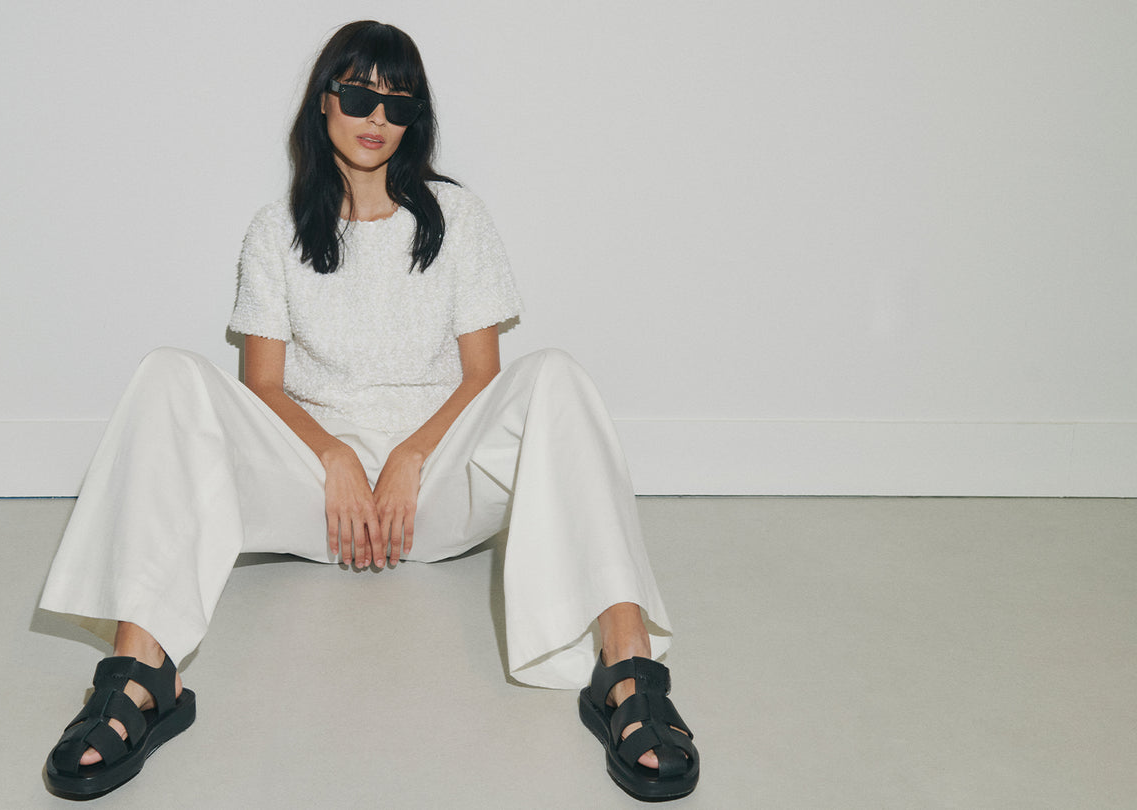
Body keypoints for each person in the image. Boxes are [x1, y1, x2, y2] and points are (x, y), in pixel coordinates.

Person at [38, 20, 698, 803]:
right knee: (166, 375)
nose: (377, 119)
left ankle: (625, 669)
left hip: (435, 491)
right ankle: (143, 671)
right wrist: (338, 459)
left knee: (554, 373)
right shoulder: (275, 231)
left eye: (398, 104)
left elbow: (483, 378)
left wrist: (412, 456)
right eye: (359, 97)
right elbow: (265, 389)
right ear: (324, 104)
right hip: (319, 499)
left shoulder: (458, 220)